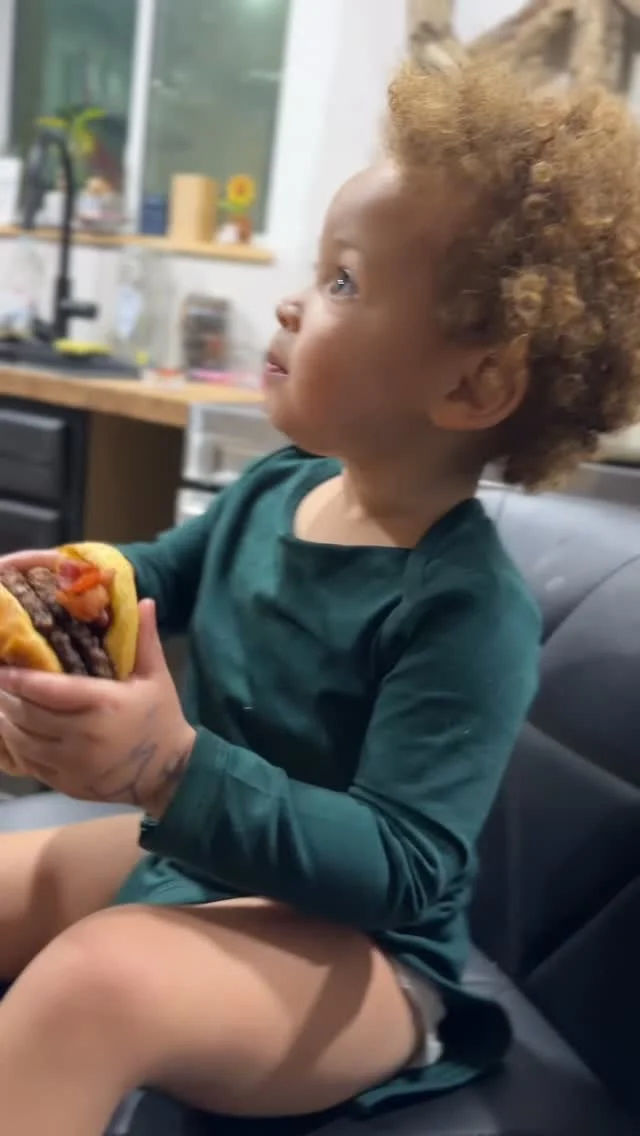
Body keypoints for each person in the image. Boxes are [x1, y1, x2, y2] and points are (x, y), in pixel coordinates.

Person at [0, 58, 639, 1136]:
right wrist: (63, 586)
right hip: (218, 855)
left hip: (367, 953)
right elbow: (161, 574)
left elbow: (402, 864)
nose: (294, 301)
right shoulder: (277, 489)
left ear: (473, 383)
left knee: (94, 985)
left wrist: (167, 766)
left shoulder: (466, 610)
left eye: (343, 281)